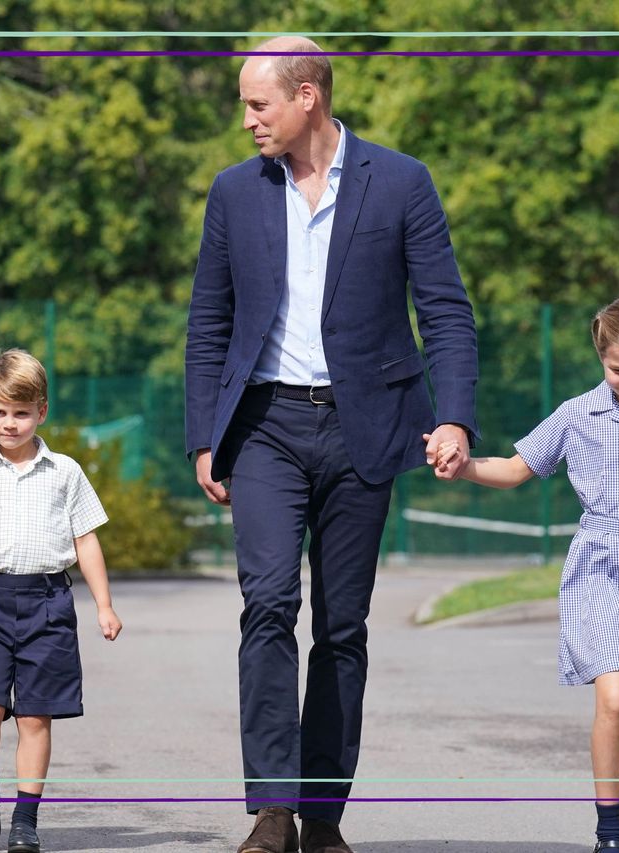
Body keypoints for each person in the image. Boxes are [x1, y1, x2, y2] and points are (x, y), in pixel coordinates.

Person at [184, 36, 480, 853]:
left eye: (258, 103)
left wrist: (453, 417)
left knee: (342, 626)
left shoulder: (402, 181)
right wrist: (204, 437)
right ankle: (273, 809)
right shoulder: (234, 193)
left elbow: (446, 310)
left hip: (367, 427)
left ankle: (323, 818)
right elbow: (208, 325)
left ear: (307, 96)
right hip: (266, 427)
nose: (247, 119)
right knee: (269, 604)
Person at [432, 296, 619, 853]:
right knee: (615, 698)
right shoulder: (576, 414)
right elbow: (518, 468)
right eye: (618, 369)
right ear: (600, 357)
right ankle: (608, 832)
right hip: (599, 566)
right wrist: (465, 466)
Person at [0, 349, 122, 853]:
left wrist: (103, 604)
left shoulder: (65, 471)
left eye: (20, 413)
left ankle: (26, 821)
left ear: (42, 412)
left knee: (36, 716)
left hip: (50, 602)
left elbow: (86, 540)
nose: (9, 423)